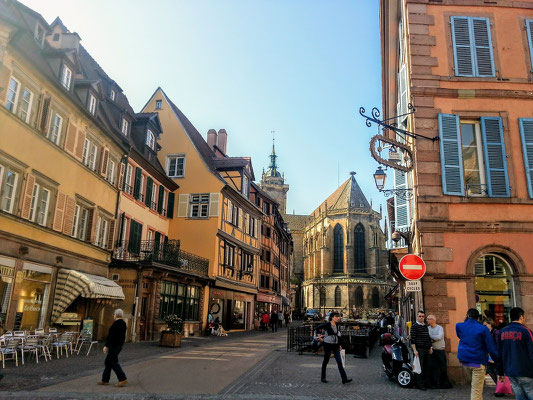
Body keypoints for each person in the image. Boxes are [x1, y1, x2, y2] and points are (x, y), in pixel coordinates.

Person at [456, 308, 498, 400]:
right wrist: (497, 361)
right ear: (478, 318)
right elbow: (491, 347)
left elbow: (460, 336)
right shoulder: (483, 329)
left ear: (467, 316)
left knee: (476, 388)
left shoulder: (459, 326)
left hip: (464, 360)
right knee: (476, 390)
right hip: (478, 361)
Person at [497, 307, 533, 399]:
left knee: (519, 395)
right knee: (530, 393)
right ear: (521, 317)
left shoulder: (502, 332)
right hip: (526, 371)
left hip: (510, 371)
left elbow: (499, 354)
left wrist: (500, 372)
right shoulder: (526, 331)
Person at [315, 312, 352, 384]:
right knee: (326, 361)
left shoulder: (337, 324)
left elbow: (338, 335)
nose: (338, 318)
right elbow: (317, 328)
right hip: (328, 344)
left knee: (339, 362)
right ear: (332, 317)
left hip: (335, 345)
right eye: (336, 317)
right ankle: (323, 377)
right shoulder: (328, 324)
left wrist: (340, 345)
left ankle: (344, 379)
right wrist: (319, 337)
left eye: (338, 317)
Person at [98, 308, 127, 387]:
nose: (113, 316)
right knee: (108, 362)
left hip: (114, 346)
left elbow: (111, 336)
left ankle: (122, 379)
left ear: (116, 315)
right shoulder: (123, 323)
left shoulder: (116, 324)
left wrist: (106, 346)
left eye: (114, 314)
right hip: (119, 345)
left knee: (114, 363)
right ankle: (105, 380)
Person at [427, 314, 452, 389]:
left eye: (428, 319)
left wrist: (431, 338)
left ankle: (444, 384)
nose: (427, 320)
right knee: (433, 368)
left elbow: (439, 337)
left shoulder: (440, 328)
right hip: (432, 350)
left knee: (443, 367)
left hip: (440, 350)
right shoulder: (428, 328)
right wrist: (432, 339)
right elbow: (428, 338)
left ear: (433, 320)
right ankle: (435, 383)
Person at [410, 310, 432, 390]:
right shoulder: (414, 326)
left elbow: (428, 338)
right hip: (419, 349)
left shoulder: (425, 326)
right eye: (420, 316)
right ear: (417, 317)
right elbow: (412, 339)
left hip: (426, 349)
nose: (421, 318)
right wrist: (414, 350)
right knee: (419, 368)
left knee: (426, 367)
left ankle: (426, 383)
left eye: (423, 316)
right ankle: (419, 384)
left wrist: (430, 347)